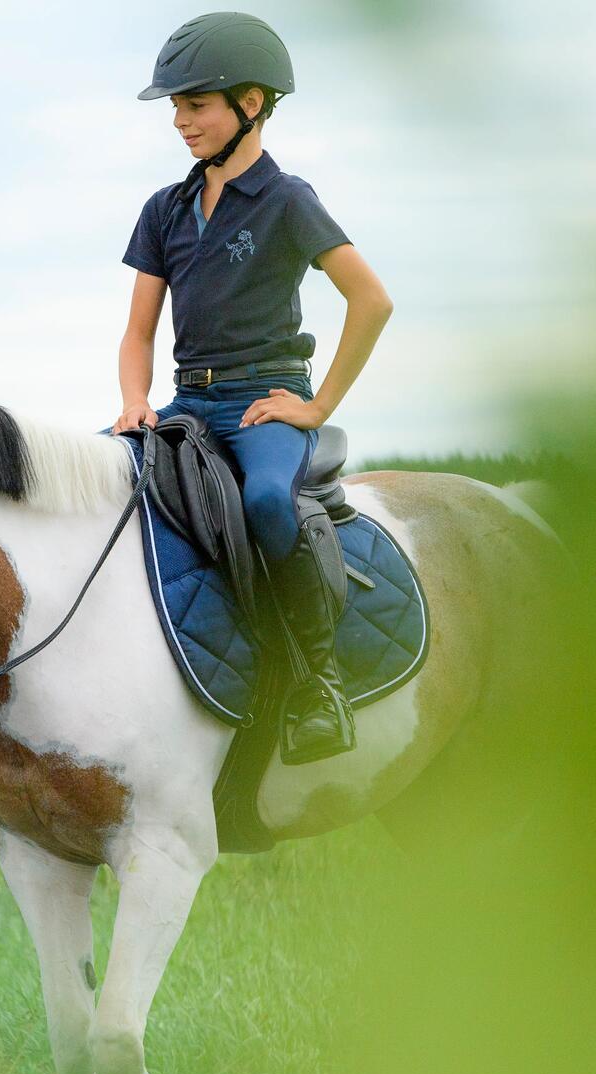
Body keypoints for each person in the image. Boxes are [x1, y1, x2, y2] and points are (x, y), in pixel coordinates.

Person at [111, 12, 393, 764]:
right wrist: (137, 402)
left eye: (195, 104)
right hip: (185, 406)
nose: (179, 121)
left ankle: (317, 681)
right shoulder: (164, 209)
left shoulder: (288, 201)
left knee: (268, 502)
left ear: (253, 104)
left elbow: (372, 300)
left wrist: (318, 404)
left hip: (264, 403)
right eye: (175, 106)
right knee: (108, 487)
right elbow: (138, 333)